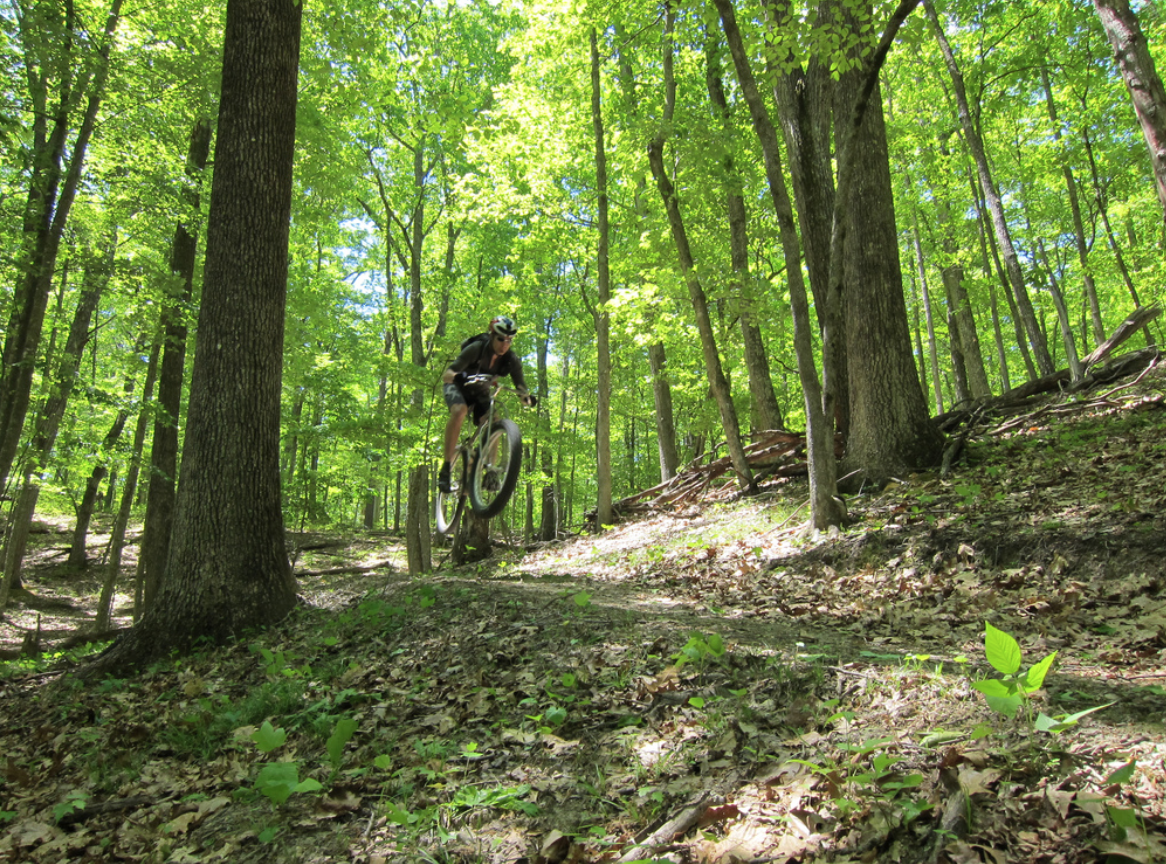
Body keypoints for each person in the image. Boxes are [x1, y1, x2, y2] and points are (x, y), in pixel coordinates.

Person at [438, 315, 537, 493]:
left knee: (494, 420)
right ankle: (445, 469)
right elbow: (454, 368)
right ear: (492, 335)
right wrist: (451, 374)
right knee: (460, 411)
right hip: (458, 387)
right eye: (501, 339)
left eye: (509, 340)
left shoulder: (510, 359)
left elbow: (520, 383)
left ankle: (490, 469)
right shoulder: (476, 349)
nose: (505, 344)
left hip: (480, 392)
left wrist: (525, 397)